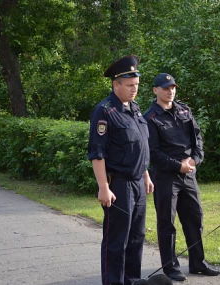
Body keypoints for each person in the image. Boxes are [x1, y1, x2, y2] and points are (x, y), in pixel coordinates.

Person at [144, 73, 220, 281]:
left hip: (188, 172)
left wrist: (194, 160)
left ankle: (198, 262)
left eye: (173, 88)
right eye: (166, 88)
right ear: (155, 90)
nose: (171, 91)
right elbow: (153, 153)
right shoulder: (150, 117)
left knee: (195, 218)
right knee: (166, 222)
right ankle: (170, 267)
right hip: (167, 175)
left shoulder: (184, 110)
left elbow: (197, 138)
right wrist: (178, 166)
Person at [87, 55, 154, 285]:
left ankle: (131, 281)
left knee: (137, 238)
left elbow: (139, 145)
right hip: (119, 185)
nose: (134, 89)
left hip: (137, 183)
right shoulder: (104, 112)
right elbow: (97, 153)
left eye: (136, 85)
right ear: (116, 84)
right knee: (117, 241)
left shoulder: (134, 108)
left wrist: (145, 174)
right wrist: (103, 187)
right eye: (129, 85)